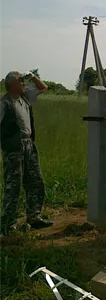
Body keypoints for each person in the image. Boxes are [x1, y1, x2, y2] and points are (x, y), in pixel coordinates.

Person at [1, 71, 52, 236]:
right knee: (13, 187)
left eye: (24, 81)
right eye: (21, 81)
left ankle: (34, 217)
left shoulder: (25, 97)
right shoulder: (4, 103)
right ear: (11, 85)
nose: (24, 83)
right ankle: (8, 225)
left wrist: (32, 76)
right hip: (14, 149)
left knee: (35, 182)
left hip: (29, 145)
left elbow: (43, 88)